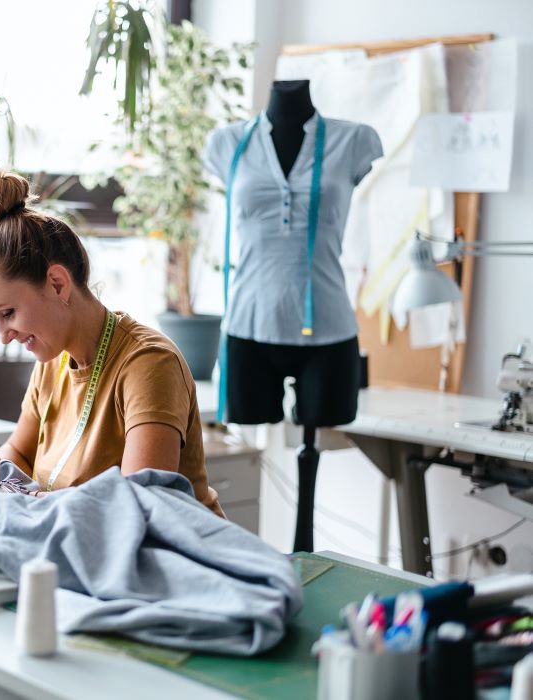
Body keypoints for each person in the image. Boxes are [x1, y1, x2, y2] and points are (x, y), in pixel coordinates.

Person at [0, 170, 223, 516]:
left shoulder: (149, 365)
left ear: (56, 284)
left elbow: (138, 507)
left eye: (8, 313)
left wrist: (39, 503)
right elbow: (19, 455)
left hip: (174, 559)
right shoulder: (51, 363)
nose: (4, 335)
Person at [202, 80, 383, 550]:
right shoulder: (227, 143)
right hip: (250, 326)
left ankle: (306, 553)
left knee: (316, 442)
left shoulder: (353, 141)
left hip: (327, 329)